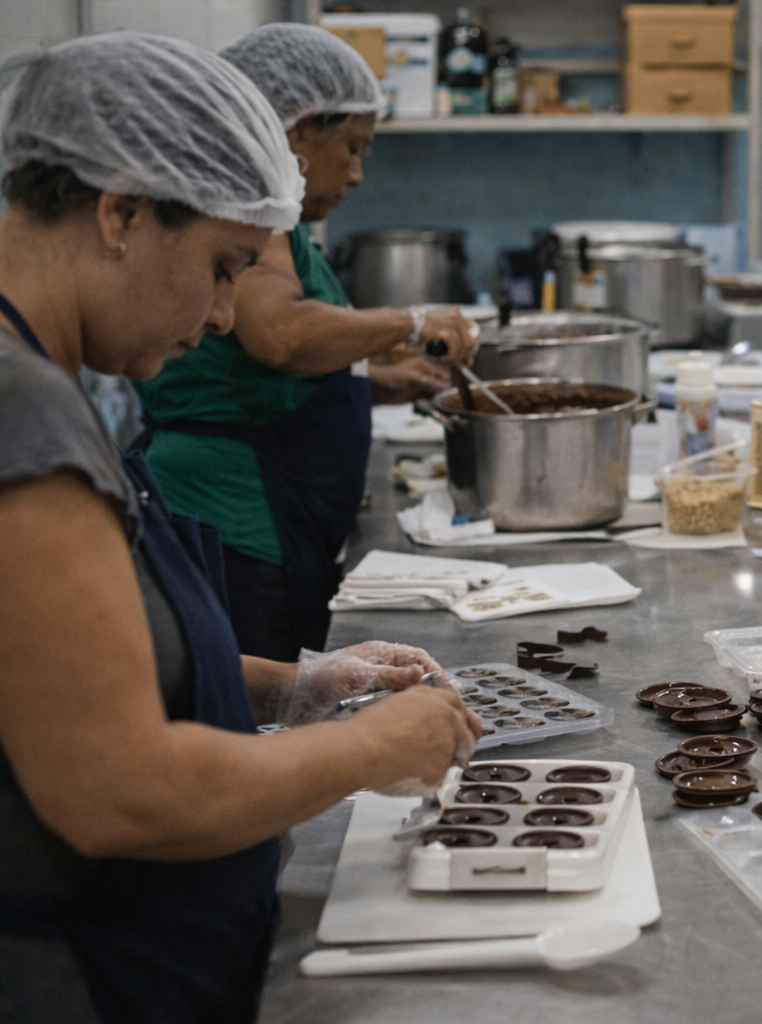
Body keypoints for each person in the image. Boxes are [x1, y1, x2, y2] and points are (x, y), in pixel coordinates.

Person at [0, 34, 478, 1022]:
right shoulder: (22, 414)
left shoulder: (44, 378)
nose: (226, 316)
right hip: (90, 974)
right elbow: (122, 790)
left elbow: (69, 675)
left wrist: (293, 685)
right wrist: (370, 749)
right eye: (223, 266)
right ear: (121, 213)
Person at [134, 23, 479, 662]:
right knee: (263, 705)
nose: (357, 174)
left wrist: (375, 385)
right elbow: (279, 335)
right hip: (238, 515)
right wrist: (411, 322)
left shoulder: (275, 220)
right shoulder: (252, 209)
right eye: (351, 147)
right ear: (295, 131)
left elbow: (248, 376)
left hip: (265, 509)